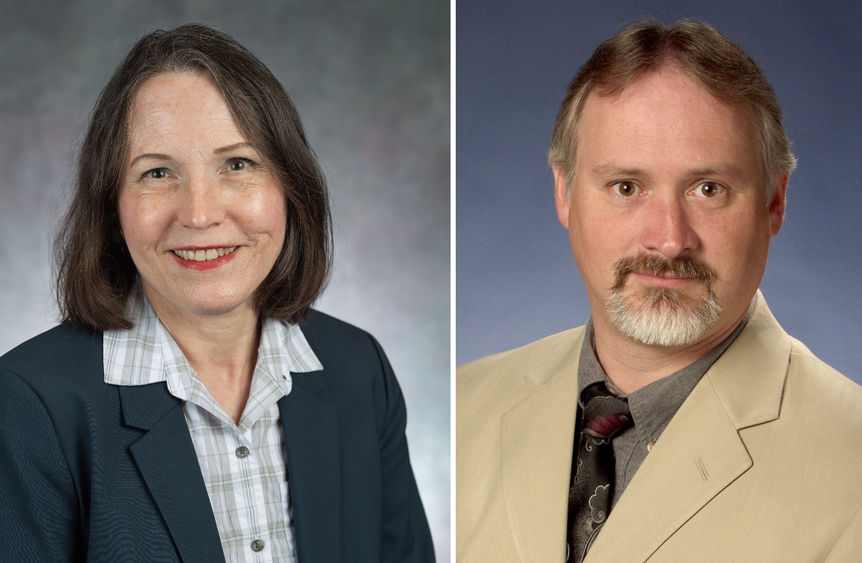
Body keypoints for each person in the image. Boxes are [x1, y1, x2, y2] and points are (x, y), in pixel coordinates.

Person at [0, 24, 434, 562]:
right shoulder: (27, 403)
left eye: (237, 164)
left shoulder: (357, 368)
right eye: (157, 173)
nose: (201, 214)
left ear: (289, 187)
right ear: (111, 206)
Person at [457, 19, 862, 562]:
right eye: (626, 187)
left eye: (708, 189)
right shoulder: (462, 407)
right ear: (564, 193)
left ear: (774, 202)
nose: (670, 239)